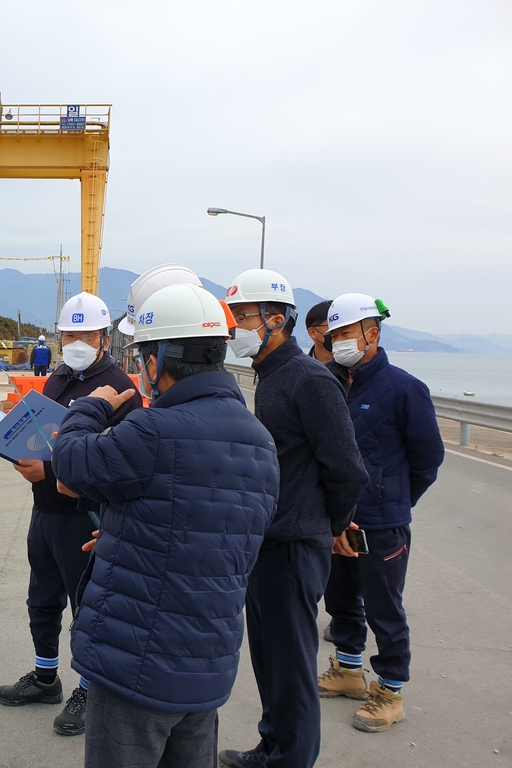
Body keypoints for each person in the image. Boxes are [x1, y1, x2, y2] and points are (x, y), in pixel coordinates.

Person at [51, 283, 280, 768]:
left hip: (138, 661)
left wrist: (93, 405)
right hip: (208, 664)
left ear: (157, 361)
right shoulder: (260, 440)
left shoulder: (154, 429)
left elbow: (71, 461)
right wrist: (123, 532)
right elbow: (210, 533)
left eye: (142, 357)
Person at [219, 269, 369, 768]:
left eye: (242, 316)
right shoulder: (273, 375)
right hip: (266, 540)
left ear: (275, 319)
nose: (234, 326)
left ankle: (292, 759)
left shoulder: (310, 381)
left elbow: (347, 469)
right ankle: (272, 745)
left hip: (294, 544)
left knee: (292, 665)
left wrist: (328, 525)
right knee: (270, 660)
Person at [0, 292, 142, 736]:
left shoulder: (119, 388)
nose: (76, 340)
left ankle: (89, 688)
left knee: (88, 608)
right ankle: (45, 678)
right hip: (46, 511)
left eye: (86, 333)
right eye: (69, 333)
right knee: (42, 599)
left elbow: (115, 460)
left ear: (104, 338)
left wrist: (50, 468)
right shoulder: (57, 378)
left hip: (87, 516)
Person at [317, 294, 444, 732]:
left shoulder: (404, 389)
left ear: (373, 333)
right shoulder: (327, 381)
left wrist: (393, 502)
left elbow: (428, 459)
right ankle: (349, 671)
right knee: (340, 600)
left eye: (347, 334)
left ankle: (390, 692)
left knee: (384, 608)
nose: (339, 343)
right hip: (335, 519)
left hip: (382, 525)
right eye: (334, 336)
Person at [304, 300, 348, 387]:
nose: (338, 332)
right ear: (313, 332)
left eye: (343, 327)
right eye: (332, 326)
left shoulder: (352, 372)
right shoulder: (299, 370)